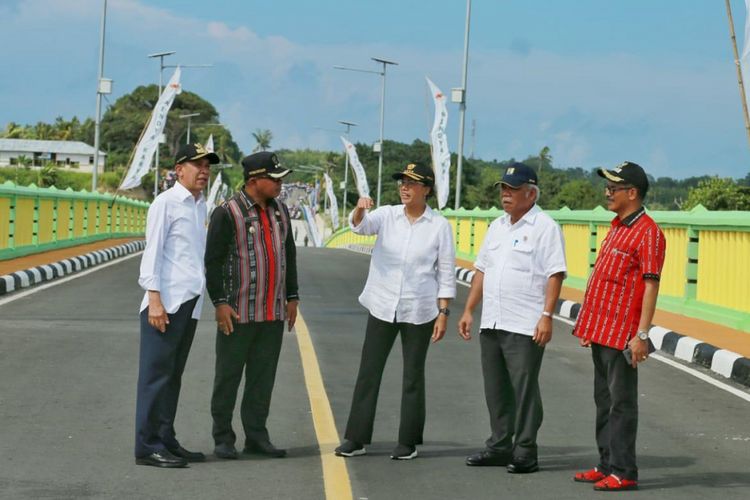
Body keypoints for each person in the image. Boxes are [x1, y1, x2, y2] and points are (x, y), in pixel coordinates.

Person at [334, 162, 456, 460]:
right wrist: (360, 209)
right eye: (402, 181)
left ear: (426, 189)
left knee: (413, 375)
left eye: (412, 183)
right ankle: (356, 438)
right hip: (382, 304)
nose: (404, 187)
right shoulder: (387, 215)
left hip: (420, 308)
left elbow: (446, 271)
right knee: (369, 372)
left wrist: (444, 312)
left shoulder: (438, 226)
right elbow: (360, 227)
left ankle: (408, 441)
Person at [458, 162, 566, 474]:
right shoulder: (497, 226)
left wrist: (547, 316)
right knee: (496, 389)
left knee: (524, 388)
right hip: (492, 320)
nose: (506, 195)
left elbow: (555, 274)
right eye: (504, 189)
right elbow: (481, 270)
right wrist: (468, 310)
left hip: (524, 323)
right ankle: (499, 446)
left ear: (531, 194)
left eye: (513, 189)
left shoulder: (545, 227)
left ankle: (526, 451)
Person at [572, 161, 665, 492]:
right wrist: (589, 326)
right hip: (602, 330)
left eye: (614, 188)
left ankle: (625, 471)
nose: (607, 192)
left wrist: (642, 334)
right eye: (608, 187)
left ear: (633, 192)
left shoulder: (649, 233)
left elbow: (650, 286)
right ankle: (606, 463)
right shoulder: (617, 226)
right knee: (604, 401)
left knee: (622, 405)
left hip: (623, 334)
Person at [204, 151, 299, 460]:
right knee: (228, 377)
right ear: (254, 180)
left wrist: (292, 297)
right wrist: (219, 303)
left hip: (271, 312)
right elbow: (213, 262)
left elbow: (289, 255)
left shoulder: (281, 211)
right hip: (237, 312)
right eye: (274, 179)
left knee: (262, 378)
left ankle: (257, 436)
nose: (279, 184)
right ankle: (223, 438)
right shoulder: (227, 212)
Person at [135, 143, 219, 468]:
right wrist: (154, 299)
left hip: (189, 302)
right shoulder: (165, 203)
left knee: (173, 375)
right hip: (165, 303)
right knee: (155, 377)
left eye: (207, 166)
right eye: (197, 165)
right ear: (179, 168)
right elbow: (152, 253)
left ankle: (166, 439)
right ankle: (147, 446)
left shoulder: (200, 205)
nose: (204, 171)